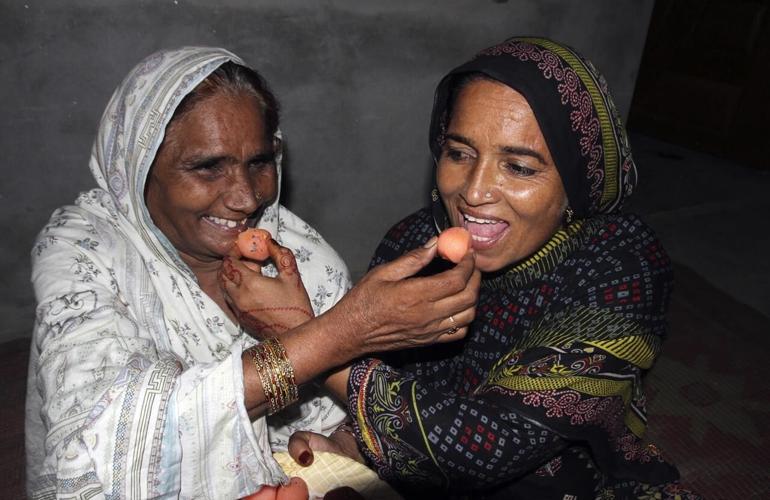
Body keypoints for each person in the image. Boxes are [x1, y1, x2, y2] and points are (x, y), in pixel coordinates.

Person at [236, 37, 700, 498]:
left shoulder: (621, 268)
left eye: (518, 167)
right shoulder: (413, 244)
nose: (474, 192)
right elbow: (388, 375)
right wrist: (349, 445)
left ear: (577, 181)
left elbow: (484, 447)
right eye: (459, 154)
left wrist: (304, 335)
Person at [25, 47, 479, 499]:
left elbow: (365, 414)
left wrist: (345, 442)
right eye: (207, 167)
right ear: (137, 166)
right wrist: (344, 330)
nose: (245, 198)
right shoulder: (85, 249)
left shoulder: (299, 254)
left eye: (258, 163)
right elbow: (109, 441)